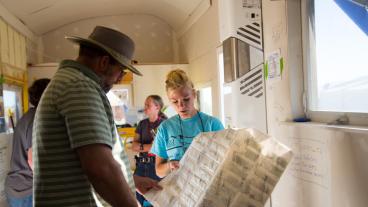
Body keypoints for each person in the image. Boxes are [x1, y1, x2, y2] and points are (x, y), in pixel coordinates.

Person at [33, 26, 161, 207]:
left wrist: (131, 182)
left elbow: (80, 162)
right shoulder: (79, 86)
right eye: (121, 71)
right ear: (103, 62)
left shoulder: (69, 81)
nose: (119, 79)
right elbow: (100, 168)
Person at [150, 69, 224, 178]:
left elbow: (224, 161)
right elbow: (159, 171)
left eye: (186, 99)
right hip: (179, 190)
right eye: (175, 101)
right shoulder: (165, 128)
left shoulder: (213, 124)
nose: (181, 105)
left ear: (194, 95)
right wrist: (170, 166)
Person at [4, 78, 50, 207]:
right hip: (26, 191)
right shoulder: (38, 118)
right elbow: (33, 160)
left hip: (19, 187)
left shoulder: (28, 116)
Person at [132, 95, 167, 207]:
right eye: (145, 104)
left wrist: (142, 146)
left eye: (148, 105)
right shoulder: (142, 124)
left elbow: (163, 147)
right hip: (141, 164)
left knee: (156, 198)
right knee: (138, 199)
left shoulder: (165, 124)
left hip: (157, 165)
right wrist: (151, 146)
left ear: (157, 107)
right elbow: (134, 146)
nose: (145, 107)